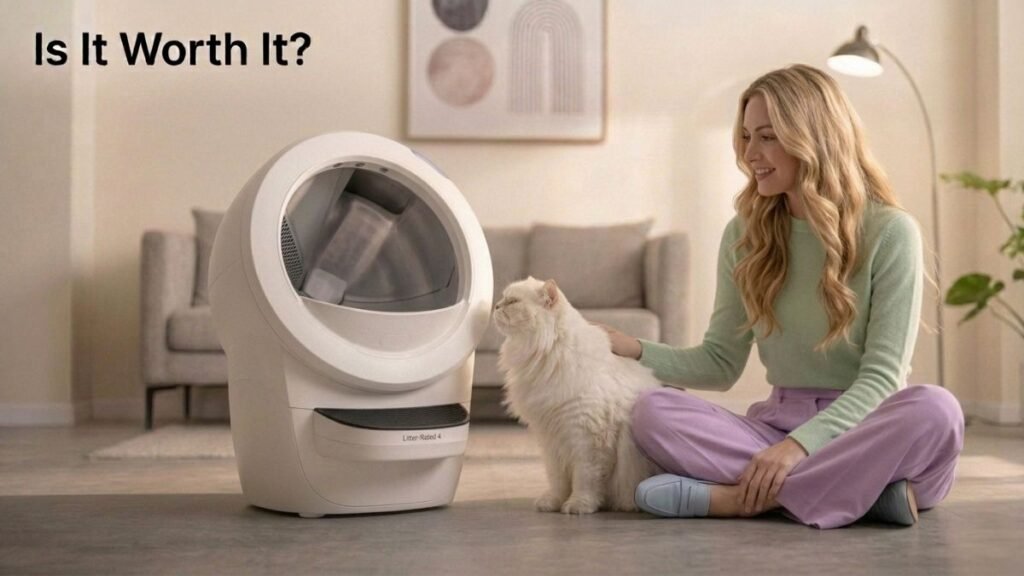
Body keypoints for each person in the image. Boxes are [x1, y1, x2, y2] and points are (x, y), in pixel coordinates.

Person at [602, 64, 964, 529]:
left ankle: (738, 499)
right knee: (652, 412)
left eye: (768, 137)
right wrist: (632, 349)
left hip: (868, 430)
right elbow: (719, 363)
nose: (750, 153)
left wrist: (797, 449)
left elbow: (881, 379)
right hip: (778, 429)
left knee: (937, 410)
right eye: (746, 136)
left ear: (814, 138)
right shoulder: (744, 235)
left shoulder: (891, 231)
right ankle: (867, 495)